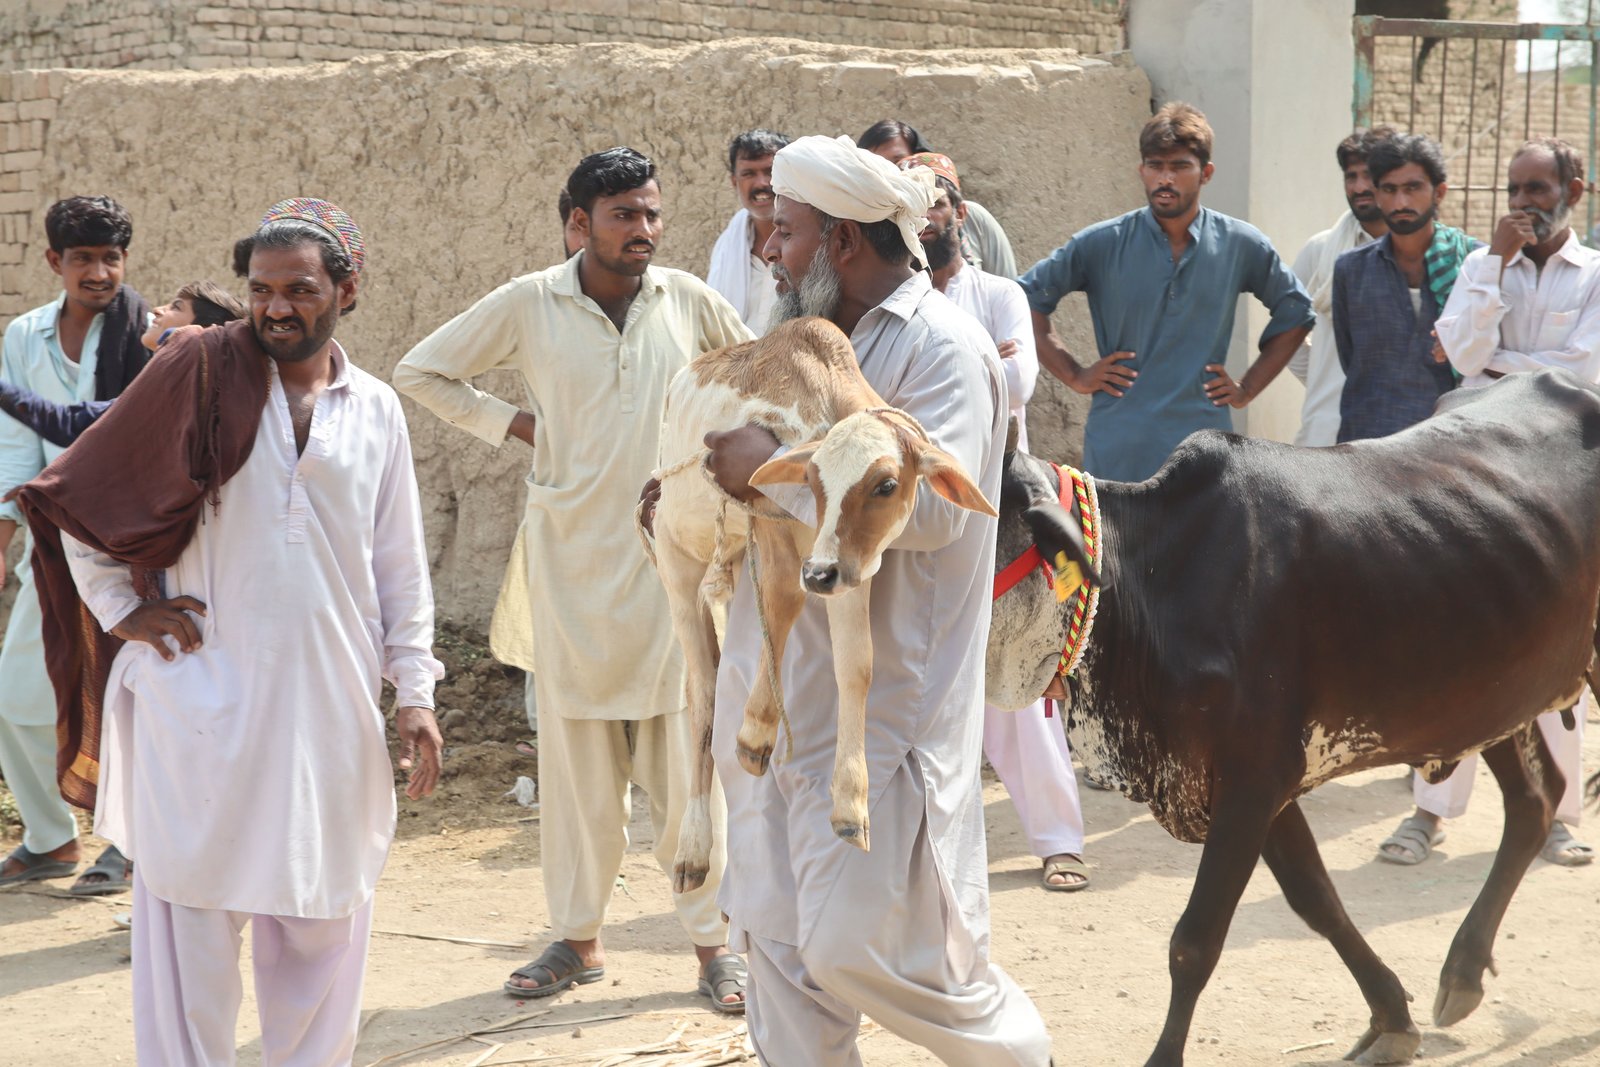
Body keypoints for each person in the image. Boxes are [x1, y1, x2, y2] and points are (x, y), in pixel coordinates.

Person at [18, 196, 444, 1064]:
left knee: (322, 914)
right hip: (200, 698)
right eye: (260, 289)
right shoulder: (194, 375)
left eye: (299, 288)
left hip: (328, 704)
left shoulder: (377, 409)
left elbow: (399, 565)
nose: (277, 307)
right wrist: (121, 611)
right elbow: (77, 500)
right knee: (192, 927)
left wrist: (416, 692)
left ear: (346, 291)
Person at [697, 133, 1051, 1063]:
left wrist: (766, 480)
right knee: (779, 954)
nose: (769, 250)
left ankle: (1019, 1054)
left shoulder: (945, 347)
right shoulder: (799, 342)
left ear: (843, 244)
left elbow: (937, 515)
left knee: (860, 950)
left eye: (786, 232)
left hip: (885, 714)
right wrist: (700, 491)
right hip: (776, 696)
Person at [394, 148, 753, 1011]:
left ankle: (715, 947)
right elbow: (421, 370)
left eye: (653, 214)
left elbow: (751, 379)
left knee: (685, 773)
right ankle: (579, 939)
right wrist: (521, 426)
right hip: (569, 570)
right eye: (625, 214)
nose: (644, 230)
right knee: (580, 775)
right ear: (577, 224)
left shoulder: (690, 300)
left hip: (673, 572)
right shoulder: (530, 301)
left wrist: (713, 455)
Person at [1385, 137, 1599, 869]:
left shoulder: (1595, 275)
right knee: (1451, 643)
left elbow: (1586, 372)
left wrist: (1506, 370)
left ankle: (1556, 816)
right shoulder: (1484, 265)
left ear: (1576, 187)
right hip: (1473, 481)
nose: (1525, 202)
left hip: (1559, 490)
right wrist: (1497, 272)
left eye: (1539, 187)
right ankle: (1426, 814)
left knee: (1554, 654)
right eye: (1516, 188)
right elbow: (1460, 352)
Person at [902, 149, 1088, 892]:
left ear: (960, 212)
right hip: (917, 505)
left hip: (1001, 502)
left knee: (1016, 674)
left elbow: (1019, 379)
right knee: (918, 674)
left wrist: (952, 375)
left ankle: (1058, 840)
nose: (928, 217)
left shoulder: (1000, 294)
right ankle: (925, 852)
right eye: (912, 209)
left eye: (937, 202)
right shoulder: (896, 303)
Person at [1019, 102, 1314, 483]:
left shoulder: (1240, 244)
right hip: (1119, 447)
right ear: (1141, 170)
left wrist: (1246, 389)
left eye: (1179, 166)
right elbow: (1024, 300)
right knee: (1116, 544)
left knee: (1208, 544)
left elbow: (1296, 311)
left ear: (1205, 173)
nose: (1165, 178)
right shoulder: (1102, 243)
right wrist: (1075, 375)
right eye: (1155, 166)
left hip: (1205, 447)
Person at [0, 195, 152, 896]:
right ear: (54, 261)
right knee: (18, 696)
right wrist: (6, 540)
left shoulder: (146, 333)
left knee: (124, 699)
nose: (99, 272)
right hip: (52, 541)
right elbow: (15, 448)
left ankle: (127, 843)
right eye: (84, 258)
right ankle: (49, 837)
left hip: (127, 546)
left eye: (110, 258)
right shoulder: (24, 335)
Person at [1331, 133, 1478, 444]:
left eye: (1413, 188)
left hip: (1449, 450)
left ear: (1439, 192)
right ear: (1377, 194)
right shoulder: (1351, 270)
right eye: (1389, 190)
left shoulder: (1473, 264)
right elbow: (1351, 360)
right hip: (1364, 448)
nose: (1401, 203)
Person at [0, 280, 245, 448]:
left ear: (197, 331)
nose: (158, 310)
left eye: (176, 307)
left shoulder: (166, 398)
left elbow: (67, 423)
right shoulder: (219, 399)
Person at [1288, 126, 1395, 446]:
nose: (1360, 186)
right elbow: (1286, 336)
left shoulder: (1417, 254)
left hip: (1400, 433)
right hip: (1326, 430)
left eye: (1368, 175)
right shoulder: (1321, 250)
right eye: (1351, 176)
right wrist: (1324, 383)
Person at [858, 118, 1018, 278]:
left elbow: (1006, 286)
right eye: (876, 168)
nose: (889, 175)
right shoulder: (866, 236)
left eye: (896, 163)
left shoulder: (974, 220)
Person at [707, 128, 790, 333]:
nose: (761, 183)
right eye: (748, 174)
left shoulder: (811, 245)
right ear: (734, 182)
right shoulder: (727, 248)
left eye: (769, 172)